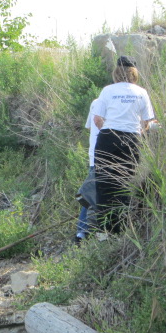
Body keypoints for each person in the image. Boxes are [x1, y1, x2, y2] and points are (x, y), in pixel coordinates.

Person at [92, 56, 156, 234]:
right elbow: (146, 122)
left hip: (107, 138)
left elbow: (97, 118)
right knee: (125, 183)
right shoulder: (141, 92)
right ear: (134, 73)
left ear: (116, 73)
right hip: (131, 140)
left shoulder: (107, 90)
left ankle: (104, 232)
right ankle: (122, 230)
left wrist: (107, 130)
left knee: (104, 183)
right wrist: (137, 132)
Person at [75, 99, 100, 244]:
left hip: (94, 156)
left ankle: (82, 233)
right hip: (108, 157)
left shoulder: (95, 102)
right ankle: (84, 232)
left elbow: (90, 128)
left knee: (91, 195)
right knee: (92, 195)